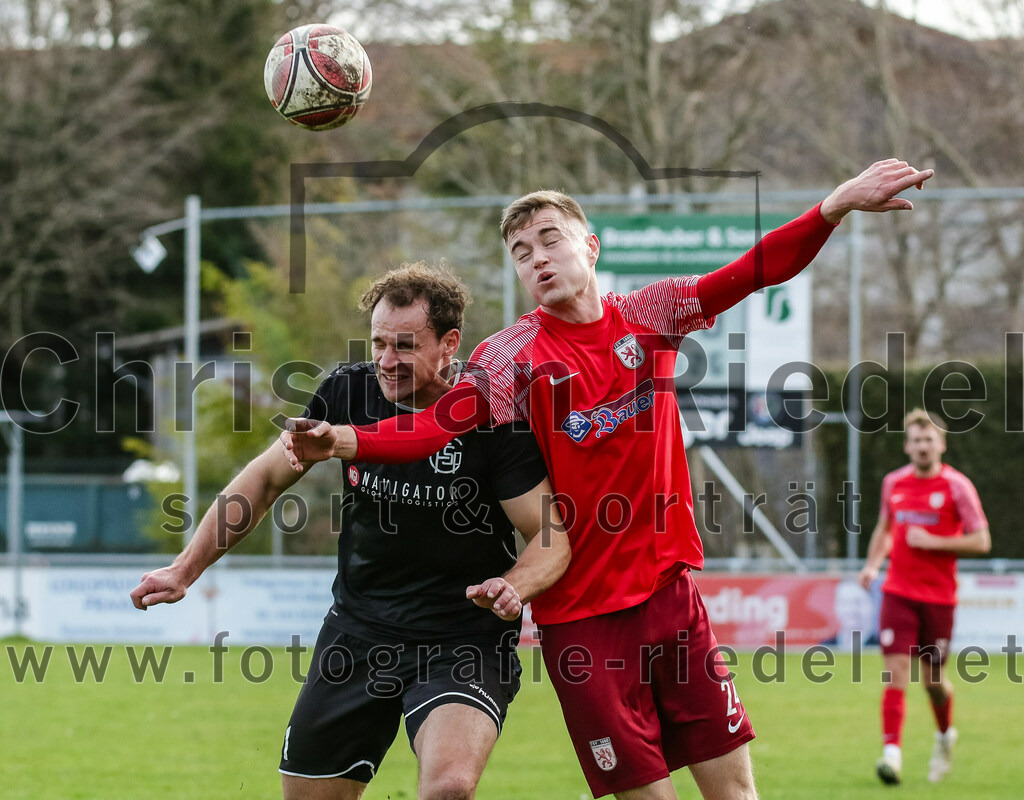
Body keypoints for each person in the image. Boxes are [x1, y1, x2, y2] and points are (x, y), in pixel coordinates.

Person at [282, 159, 934, 800]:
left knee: (735, 791)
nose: (536, 257)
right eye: (519, 251)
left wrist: (833, 208)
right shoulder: (508, 356)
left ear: (589, 246)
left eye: (549, 239)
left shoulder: (653, 314)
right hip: (582, 623)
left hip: (671, 600)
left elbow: (755, 270)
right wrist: (345, 439)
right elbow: (432, 429)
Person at [130, 263, 569, 800]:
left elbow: (549, 535)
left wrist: (515, 586)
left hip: (463, 637)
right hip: (359, 631)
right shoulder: (347, 392)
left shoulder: (493, 415)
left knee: (448, 788)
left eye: (404, 346)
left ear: (449, 343)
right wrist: (183, 569)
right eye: (379, 342)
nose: (386, 361)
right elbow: (264, 480)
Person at [857, 408, 990, 786]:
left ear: (941, 445)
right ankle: (891, 756)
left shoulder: (957, 487)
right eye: (916, 440)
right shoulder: (893, 484)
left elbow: (982, 540)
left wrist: (933, 541)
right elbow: (884, 528)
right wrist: (872, 565)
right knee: (895, 673)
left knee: (933, 682)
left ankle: (945, 734)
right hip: (897, 592)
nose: (922, 446)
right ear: (907, 446)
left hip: (939, 598)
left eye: (929, 439)